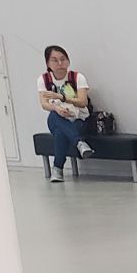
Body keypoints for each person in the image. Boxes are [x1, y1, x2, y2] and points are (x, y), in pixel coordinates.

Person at [35, 44, 92, 183]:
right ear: (48, 63)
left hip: (78, 118)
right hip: (57, 117)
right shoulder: (43, 79)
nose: (60, 63)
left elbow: (83, 102)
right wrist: (57, 108)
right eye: (55, 60)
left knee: (60, 133)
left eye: (63, 59)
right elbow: (44, 104)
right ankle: (79, 143)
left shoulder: (77, 77)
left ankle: (57, 169)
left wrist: (62, 98)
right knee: (54, 116)